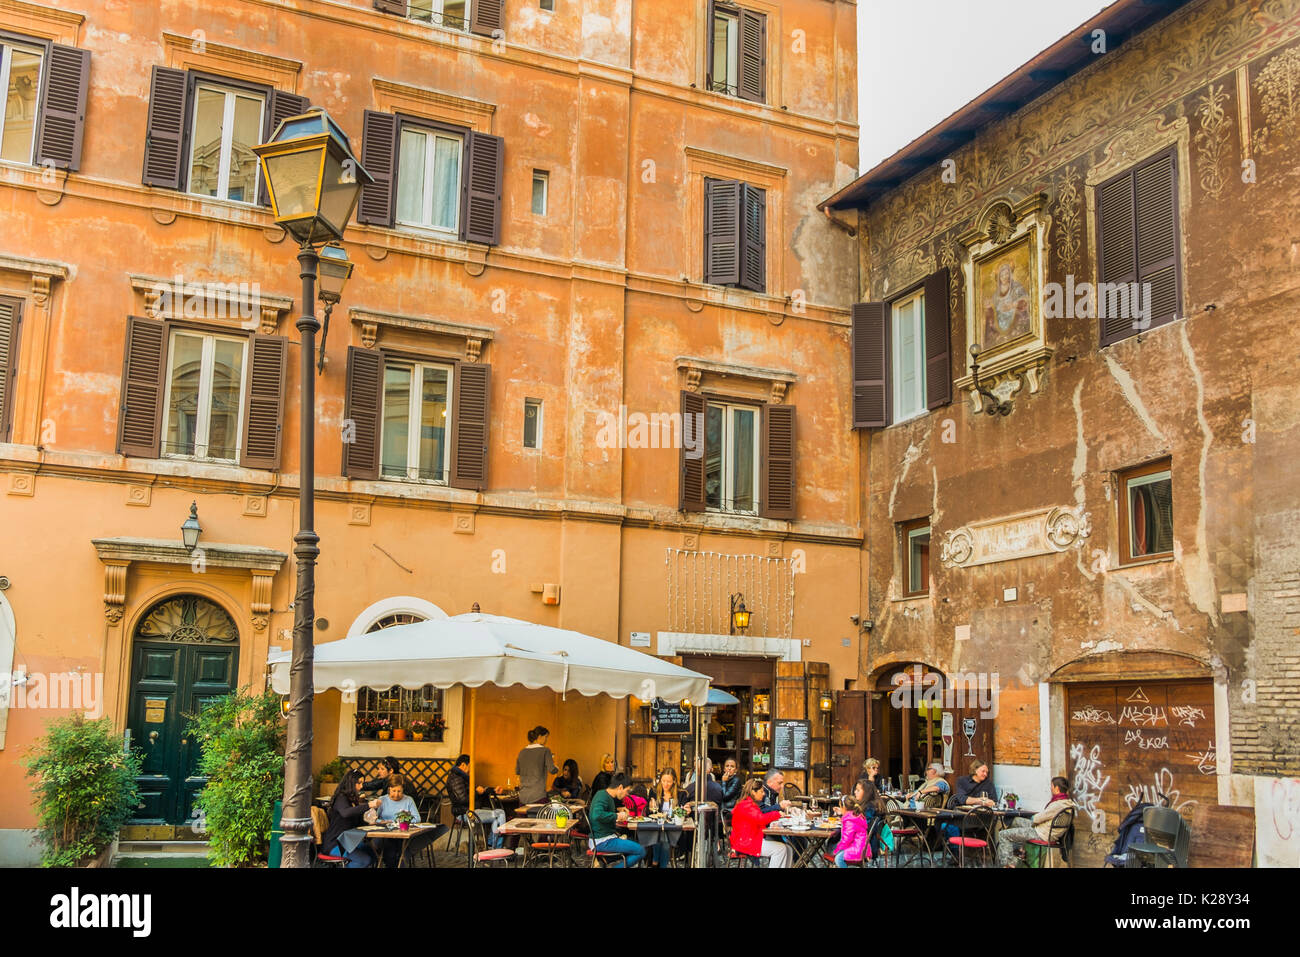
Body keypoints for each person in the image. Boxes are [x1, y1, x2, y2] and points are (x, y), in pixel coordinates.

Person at [996, 776, 1076, 867]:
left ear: (1057, 789)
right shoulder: (1068, 803)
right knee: (1015, 821)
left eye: (1052, 786)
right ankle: (1020, 850)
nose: (1051, 788)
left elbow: (1037, 819)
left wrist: (1034, 818)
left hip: (1041, 834)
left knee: (1003, 834)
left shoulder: (1057, 804)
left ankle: (1009, 864)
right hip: (1046, 831)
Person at [321, 769, 380, 868]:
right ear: (351, 783)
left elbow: (356, 822)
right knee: (364, 860)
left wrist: (372, 823)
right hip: (335, 843)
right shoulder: (341, 798)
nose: (361, 786)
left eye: (362, 783)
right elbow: (346, 813)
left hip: (347, 842)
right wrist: (368, 805)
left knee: (374, 854)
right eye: (359, 783)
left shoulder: (352, 799)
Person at [448, 753, 507, 848]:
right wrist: (476, 792)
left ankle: (491, 844)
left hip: (471, 810)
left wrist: (493, 790)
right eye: (470, 766)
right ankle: (495, 846)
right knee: (500, 815)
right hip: (465, 813)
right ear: (463, 765)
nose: (471, 769)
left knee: (500, 812)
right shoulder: (455, 778)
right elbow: (462, 799)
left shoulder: (462, 777)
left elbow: (478, 790)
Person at [587, 772, 645, 868]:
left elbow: (603, 814)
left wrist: (617, 812)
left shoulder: (604, 795)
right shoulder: (603, 796)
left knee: (634, 844)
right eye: (627, 791)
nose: (627, 795)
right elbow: (596, 815)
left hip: (605, 838)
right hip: (602, 841)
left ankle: (606, 860)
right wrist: (616, 815)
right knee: (641, 850)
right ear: (620, 787)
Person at [729, 777, 788, 868]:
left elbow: (757, 821)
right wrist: (777, 814)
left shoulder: (748, 804)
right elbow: (760, 819)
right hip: (746, 842)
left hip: (750, 838)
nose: (764, 794)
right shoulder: (746, 805)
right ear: (753, 792)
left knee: (788, 849)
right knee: (781, 849)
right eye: (761, 791)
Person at [375, 774, 424, 868]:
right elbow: (374, 818)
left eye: (399, 791)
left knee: (400, 849)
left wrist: (405, 819)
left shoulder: (408, 800)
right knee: (391, 849)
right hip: (384, 835)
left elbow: (417, 818)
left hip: (403, 835)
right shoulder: (382, 800)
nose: (396, 794)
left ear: (403, 790)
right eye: (394, 791)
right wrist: (382, 821)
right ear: (389, 789)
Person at [648, 768, 691, 867]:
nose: (665, 784)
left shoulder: (681, 794)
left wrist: (686, 810)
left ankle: (655, 862)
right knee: (661, 837)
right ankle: (657, 862)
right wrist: (649, 807)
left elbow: (683, 811)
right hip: (657, 827)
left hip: (674, 829)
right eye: (663, 781)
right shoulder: (654, 792)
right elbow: (648, 812)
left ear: (674, 781)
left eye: (669, 782)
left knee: (665, 839)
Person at [515, 726, 558, 805]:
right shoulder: (545, 750)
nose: (546, 740)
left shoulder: (522, 752)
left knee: (522, 817)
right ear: (539, 736)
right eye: (546, 737)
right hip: (538, 796)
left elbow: (517, 771)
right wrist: (555, 766)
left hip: (523, 797)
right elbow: (552, 770)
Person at [833, 797, 870, 868]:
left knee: (838, 859)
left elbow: (847, 840)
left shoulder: (849, 821)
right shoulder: (855, 816)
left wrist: (837, 850)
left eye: (840, 807)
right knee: (834, 848)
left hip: (857, 849)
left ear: (844, 808)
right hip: (862, 847)